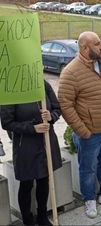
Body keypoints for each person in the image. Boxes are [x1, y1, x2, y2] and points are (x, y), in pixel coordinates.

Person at [58, 31, 101, 219]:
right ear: (84, 47)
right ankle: (89, 199)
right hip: (89, 134)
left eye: (100, 42)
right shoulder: (70, 72)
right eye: (97, 43)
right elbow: (65, 104)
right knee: (88, 169)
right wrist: (82, 131)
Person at [0, 80, 62, 226]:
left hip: (46, 141)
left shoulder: (43, 84)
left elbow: (57, 108)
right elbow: (7, 123)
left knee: (44, 180)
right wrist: (32, 128)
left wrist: (51, 116)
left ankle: (42, 216)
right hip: (25, 145)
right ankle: (27, 219)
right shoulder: (10, 89)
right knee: (26, 183)